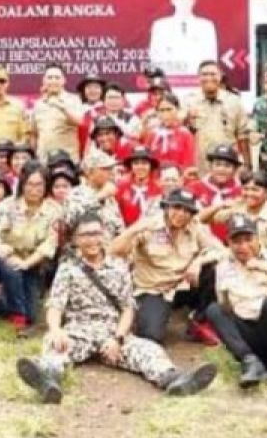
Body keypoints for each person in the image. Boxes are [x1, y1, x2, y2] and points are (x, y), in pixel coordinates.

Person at [14, 212, 219, 404]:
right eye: (85, 235)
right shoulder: (68, 268)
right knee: (54, 346)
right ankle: (48, 380)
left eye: (96, 233)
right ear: (76, 240)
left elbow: (128, 308)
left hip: (113, 331)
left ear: (103, 235)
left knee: (149, 350)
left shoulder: (118, 266)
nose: (91, 239)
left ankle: (175, 380)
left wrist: (118, 338)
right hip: (79, 329)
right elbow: (56, 305)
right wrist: (56, 330)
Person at [111, 189, 225, 346]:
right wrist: (135, 229)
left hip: (183, 284)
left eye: (187, 211)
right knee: (151, 336)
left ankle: (199, 321)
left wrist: (198, 262)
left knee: (214, 269)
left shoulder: (195, 226)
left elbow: (221, 251)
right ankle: (140, 316)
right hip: (154, 289)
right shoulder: (149, 226)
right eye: (177, 208)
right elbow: (114, 251)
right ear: (166, 208)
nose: (182, 214)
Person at [206, 213, 267, 386]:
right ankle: (250, 361)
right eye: (237, 241)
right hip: (248, 332)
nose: (243, 246)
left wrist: (266, 269)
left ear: (258, 239)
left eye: (248, 239)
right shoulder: (224, 266)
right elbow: (224, 302)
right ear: (228, 243)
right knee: (215, 309)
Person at [0, 165, 61, 333]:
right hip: (4, 256)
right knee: (13, 270)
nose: (34, 189)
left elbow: (49, 244)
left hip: (32, 262)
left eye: (39, 185)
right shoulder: (7, 205)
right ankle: (19, 317)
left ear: (46, 186)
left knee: (33, 313)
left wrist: (26, 263)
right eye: (29, 184)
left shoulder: (54, 210)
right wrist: (1, 250)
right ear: (22, 184)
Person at [183, 61, 251, 172]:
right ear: (199, 78)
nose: (209, 78)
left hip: (228, 164)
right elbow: (181, 131)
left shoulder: (234, 102)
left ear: (220, 77)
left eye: (213, 74)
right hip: (200, 165)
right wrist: (187, 118)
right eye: (204, 74)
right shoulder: (189, 102)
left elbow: (243, 136)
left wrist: (248, 165)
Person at [148, 0, 219, 79]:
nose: (184, 0)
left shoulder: (206, 26)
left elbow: (211, 60)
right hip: (169, 83)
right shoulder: (160, 26)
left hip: (199, 83)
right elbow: (156, 59)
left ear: (194, 0)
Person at [29, 64, 84, 163]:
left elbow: (80, 122)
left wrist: (63, 108)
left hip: (67, 161)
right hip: (43, 161)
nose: (53, 81)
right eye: (50, 78)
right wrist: (33, 157)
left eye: (57, 78)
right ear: (44, 81)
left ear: (64, 80)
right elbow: (34, 134)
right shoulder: (39, 104)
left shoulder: (73, 99)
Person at [144, 92, 196, 171]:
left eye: (169, 109)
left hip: (176, 179)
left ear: (177, 110)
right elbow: (146, 160)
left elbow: (188, 164)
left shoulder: (185, 134)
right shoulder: (152, 133)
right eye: (161, 110)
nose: (165, 114)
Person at [115, 145, 161, 226]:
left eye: (144, 163)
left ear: (151, 166)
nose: (140, 167)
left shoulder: (158, 189)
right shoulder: (121, 186)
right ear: (131, 166)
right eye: (136, 163)